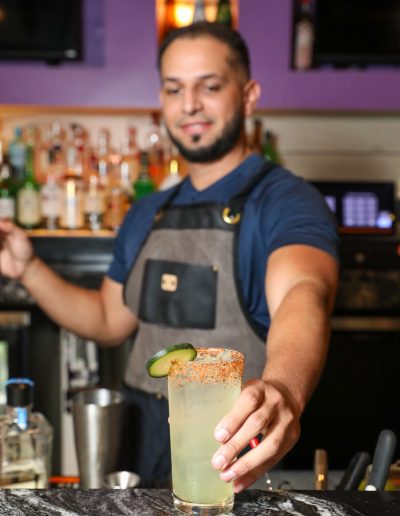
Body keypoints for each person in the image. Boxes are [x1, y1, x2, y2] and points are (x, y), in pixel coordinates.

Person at [0, 22, 339, 490]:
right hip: (138, 456)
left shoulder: (287, 201)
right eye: (174, 89)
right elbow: (107, 319)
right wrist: (28, 269)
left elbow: (304, 291)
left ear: (248, 96)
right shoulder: (148, 211)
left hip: (233, 460)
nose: (189, 104)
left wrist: (284, 390)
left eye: (210, 86)